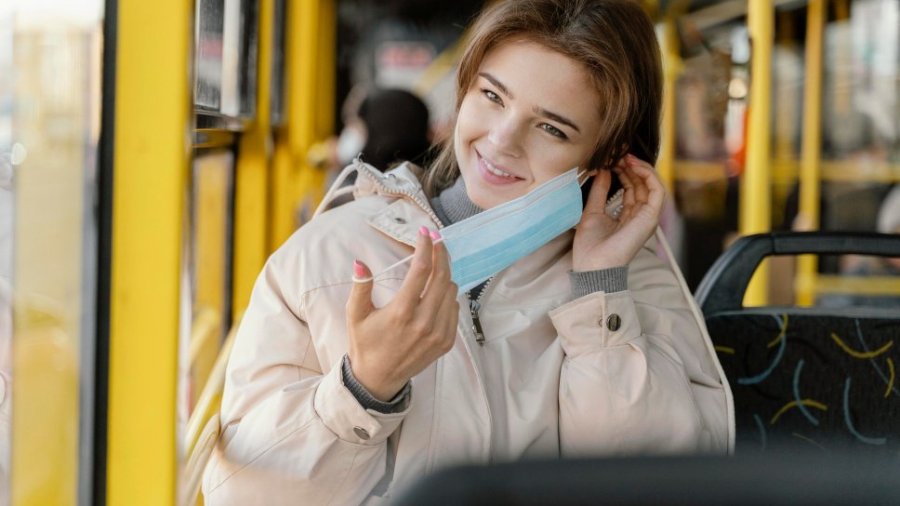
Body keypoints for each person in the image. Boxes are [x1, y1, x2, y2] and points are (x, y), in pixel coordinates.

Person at [202, 1, 734, 504]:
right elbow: (246, 493)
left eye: (551, 127)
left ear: (607, 156)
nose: (502, 141)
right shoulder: (325, 256)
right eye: (492, 96)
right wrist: (363, 390)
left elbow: (660, 488)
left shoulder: (632, 285)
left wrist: (598, 293)